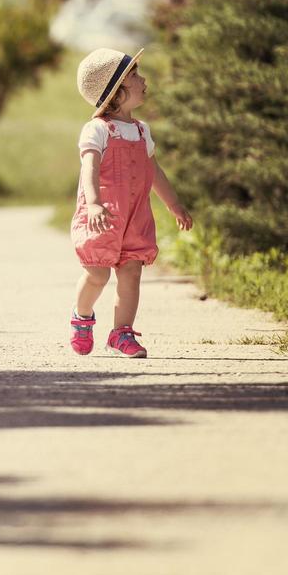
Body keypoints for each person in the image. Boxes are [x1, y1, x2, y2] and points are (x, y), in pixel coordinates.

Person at [68, 48, 193, 359]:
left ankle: (122, 332)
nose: (142, 79)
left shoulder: (141, 130)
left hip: (135, 215)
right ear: (115, 91)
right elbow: (90, 167)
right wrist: (94, 203)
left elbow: (153, 170)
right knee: (98, 275)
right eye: (134, 76)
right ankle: (82, 317)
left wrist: (173, 204)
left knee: (131, 272)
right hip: (103, 214)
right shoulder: (97, 129)